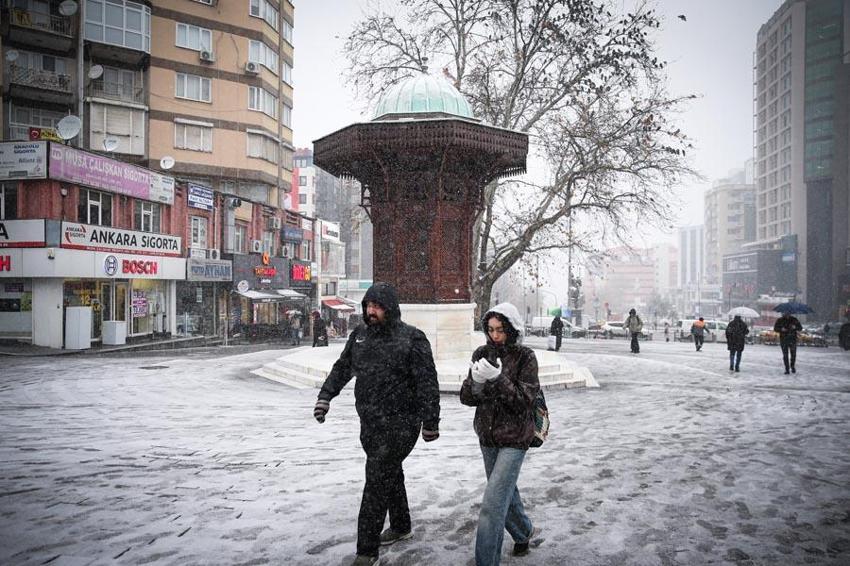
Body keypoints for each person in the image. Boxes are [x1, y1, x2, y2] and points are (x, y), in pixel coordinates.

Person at [312, 282, 441, 566]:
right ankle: (401, 525)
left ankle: (366, 551)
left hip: (402, 422)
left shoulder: (412, 338)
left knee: (377, 479)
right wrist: (325, 397)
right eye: (368, 305)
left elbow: (427, 383)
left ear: (390, 309)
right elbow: (343, 367)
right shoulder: (359, 336)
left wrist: (430, 421)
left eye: (377, 307)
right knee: (388, 471)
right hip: (370, 422)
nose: (371, 311)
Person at [460, 302, 539, 566]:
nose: (495, 335)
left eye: (501, 330)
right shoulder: (481, 352)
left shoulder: (525, 357)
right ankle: (523, 531)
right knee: (505, 492)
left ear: (513, 329)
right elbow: (466, 397)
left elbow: (524, 401)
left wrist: (498, 378)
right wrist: (477, 384)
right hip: (488, 437)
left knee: (492, 504)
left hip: (515, 439)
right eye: (491, 329)